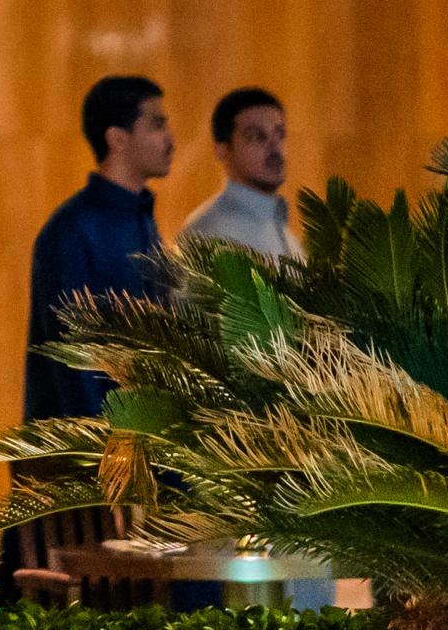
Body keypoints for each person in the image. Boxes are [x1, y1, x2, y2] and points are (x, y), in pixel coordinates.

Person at [25, 75, 173, 420]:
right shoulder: (72, 230)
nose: (171, 140)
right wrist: (104, 441)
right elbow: (73, 360)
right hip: (96, 442)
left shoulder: (142, 220)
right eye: (157, 125)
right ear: (118, 138)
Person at [179, 87, 300, 263]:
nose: (275, 147)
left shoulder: (284, 232)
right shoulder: (209, 234)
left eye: (280, 134)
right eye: (257, 137)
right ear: (223, 151)